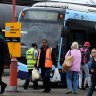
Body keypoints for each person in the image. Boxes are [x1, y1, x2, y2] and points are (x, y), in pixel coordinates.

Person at [0, 28, 11, 94]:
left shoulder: (2, 42)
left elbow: (6, 53)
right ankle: (3, 85)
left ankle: (3, 85)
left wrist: (6, 63)